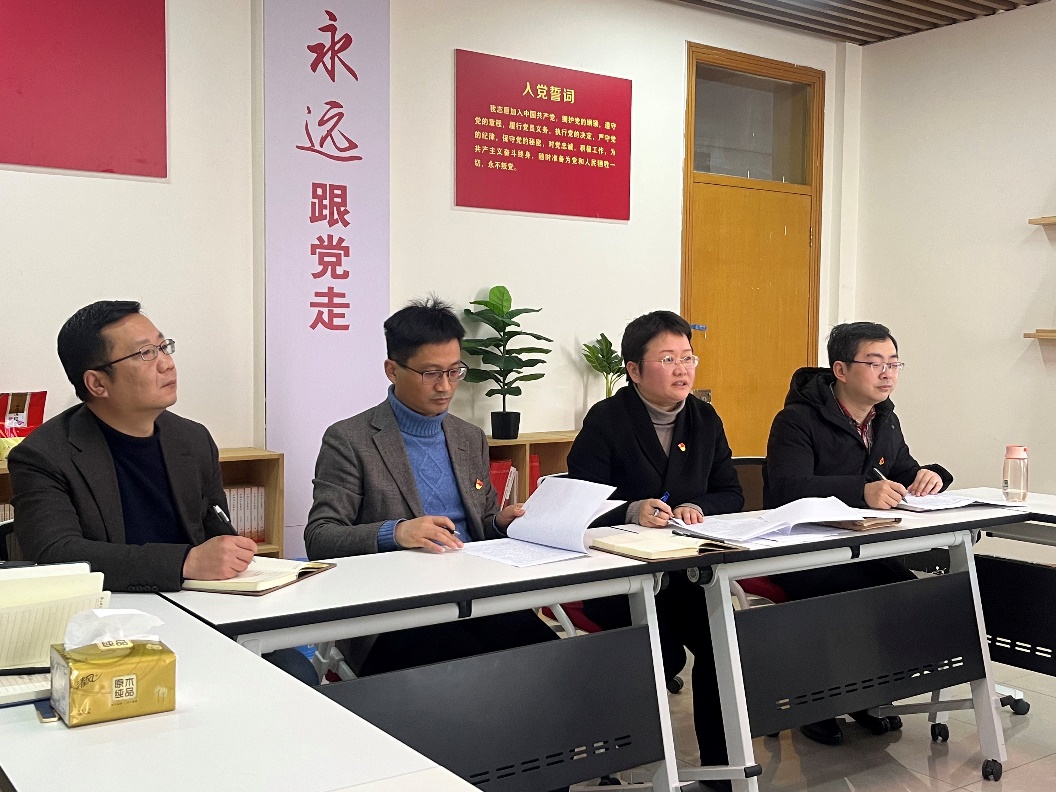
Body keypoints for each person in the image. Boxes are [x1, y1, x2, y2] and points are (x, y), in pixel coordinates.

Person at [9, 300, 315, 684]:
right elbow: (57, 554)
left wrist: (231, 555)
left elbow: (215, 529)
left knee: (295, 671)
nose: (166, 363)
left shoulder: (192, 439)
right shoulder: (43, 456)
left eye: (163, 346)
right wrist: (185, 562)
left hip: (198, 614)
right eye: (145, 354)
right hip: (106, 633)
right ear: (97, 383)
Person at [304, 296, 556, 675]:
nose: (445, 386)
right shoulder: (350, 439)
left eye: (454, 371)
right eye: (431, 374)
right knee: (469, 675)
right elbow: (320, 538)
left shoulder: (468, 437)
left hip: (478, 595)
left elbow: (483, 525)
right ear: (392, 370)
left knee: (552, 661)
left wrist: (500, 522)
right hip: (395, 610)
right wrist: (396, 532)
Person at [566, 310, 743, 788]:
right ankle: (608, 757)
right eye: (668, 359)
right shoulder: (607, 419)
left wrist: (696, 506)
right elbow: (578, 503)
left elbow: (731, 492)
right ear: (634, 369)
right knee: (652, 654)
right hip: (620, 579)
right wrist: (630, 510)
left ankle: (721, 768)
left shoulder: (704, 418)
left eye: (688, 357)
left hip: (688, 576)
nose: (682, 369)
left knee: (724, 641)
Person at [764, 320, 953, 745]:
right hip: (802, 551)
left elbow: (902, 470)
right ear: (841, 370)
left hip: (860, 548)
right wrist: (861, 491)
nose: (887, 373)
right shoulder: (796, 420)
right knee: (850, 597)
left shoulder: (884, 418)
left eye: (894, 363)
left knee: (906, 591)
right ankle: (816, 703)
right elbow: (789, 486)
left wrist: (932, 475)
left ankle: (866, 696)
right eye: (875, 363)